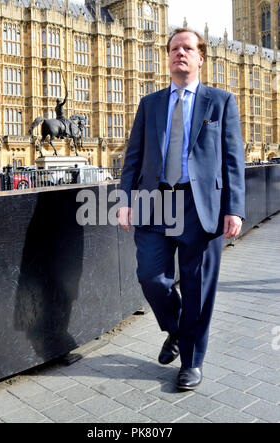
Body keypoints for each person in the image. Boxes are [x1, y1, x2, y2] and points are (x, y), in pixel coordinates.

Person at [118, 28, 245, 390]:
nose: (180, 54)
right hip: (155, 202)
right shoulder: (151, 103)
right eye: (174, 48)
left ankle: (191, 361)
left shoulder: (220, 101)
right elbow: (134, 157)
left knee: (197, 287)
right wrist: (125, 199)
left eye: (188, 48)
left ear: (200, 57)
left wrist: (233, 208)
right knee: (150, 277)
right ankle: (176, 329)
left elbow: (233, 161)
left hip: (200, 204)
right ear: (168, 56)